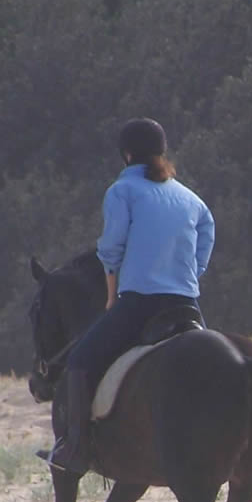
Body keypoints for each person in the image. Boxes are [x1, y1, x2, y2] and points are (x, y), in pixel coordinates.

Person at [42, 118, 216, 475]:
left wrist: (110, 297)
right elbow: (206, 240)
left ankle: (76, 448)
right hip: (187, 305)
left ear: (126, 155)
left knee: (79, 361)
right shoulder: (191, 198)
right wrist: (189, 274)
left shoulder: (122, 190)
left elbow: (111, 249)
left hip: (141, 302)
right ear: (162, 151)